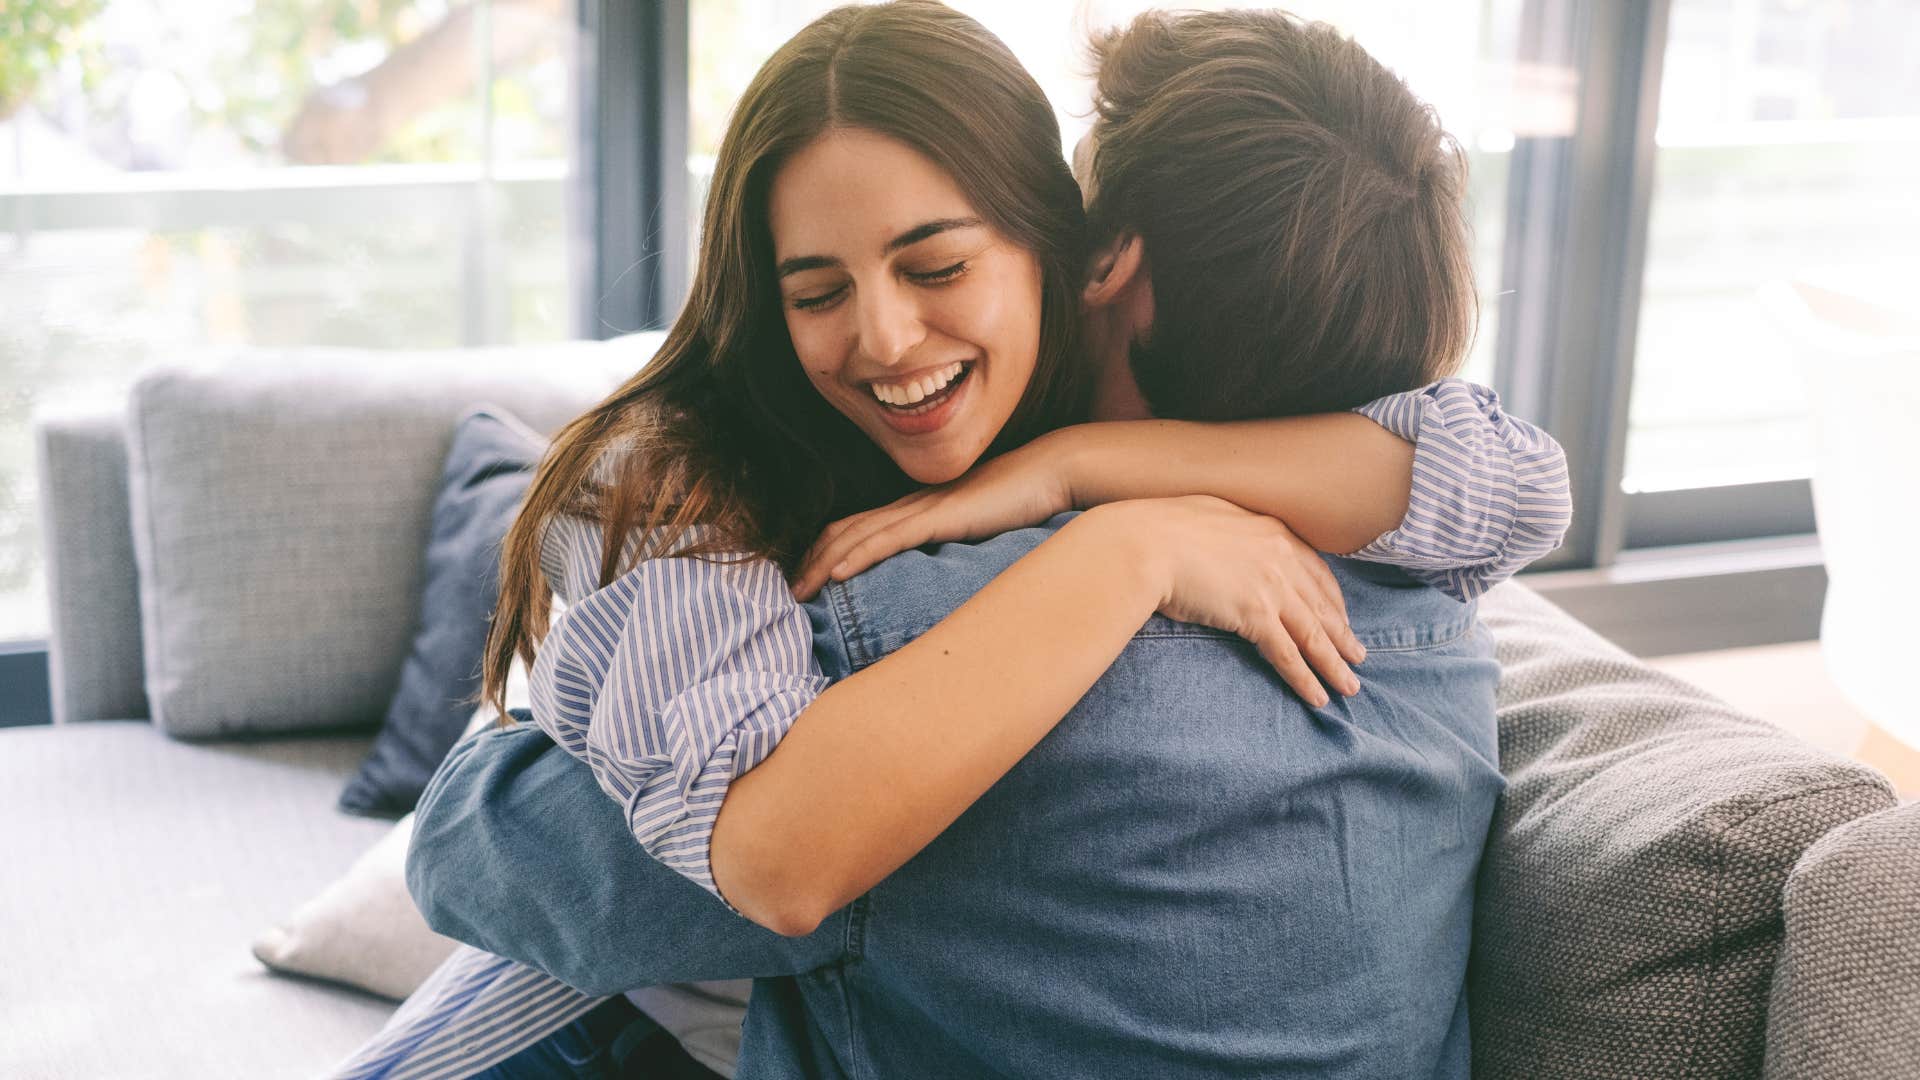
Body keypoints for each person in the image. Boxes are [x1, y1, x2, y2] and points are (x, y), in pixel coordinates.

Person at [333, 4, 1567, 1077]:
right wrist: (1122, 540)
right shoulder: (1418, 588)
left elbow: (1519, 481)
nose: (883, 337)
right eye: (816, 291)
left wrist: (1097, 493)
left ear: (1085, 252)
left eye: (940, 263)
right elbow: (1515, 482)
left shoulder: (945, 607)